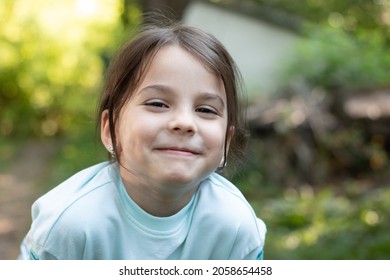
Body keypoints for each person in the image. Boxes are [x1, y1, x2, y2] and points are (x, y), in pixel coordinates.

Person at [19, 17, 266, 260]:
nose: (184, 122)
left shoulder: (236, 228)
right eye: (158, 104)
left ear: (227, 141)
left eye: (205, 110)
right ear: (111, 130)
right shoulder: (70, 225)